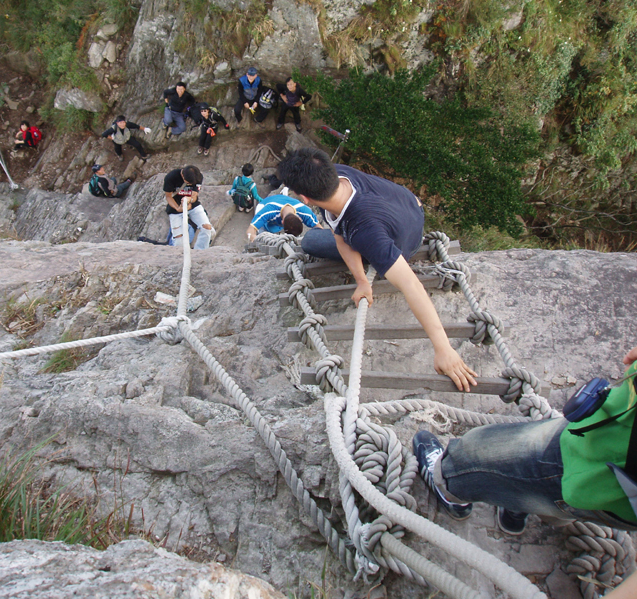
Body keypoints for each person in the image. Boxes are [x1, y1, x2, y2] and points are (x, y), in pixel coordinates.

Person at [277, 148, 477, 391]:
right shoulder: (336, 176)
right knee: (337, 232)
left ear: (304, 199)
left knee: (311, 242)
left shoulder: (366, 232)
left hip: (401, 243)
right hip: (409, 207)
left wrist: (443, 348)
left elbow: (411, 285)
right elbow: (339, 231)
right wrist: (361, 280)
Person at [413, 344, 637, 543]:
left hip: (600, 455)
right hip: (619, 486)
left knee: (474, 452)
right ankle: (516, 511)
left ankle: (450, 488)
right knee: (564, 494)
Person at [163, 165, 214, 249]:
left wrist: (190, 200)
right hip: (176, 208)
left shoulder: (197, 177)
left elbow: (195, 195)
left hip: (193, 206)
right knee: (179, 239)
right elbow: (168, 196)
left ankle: (200, 251)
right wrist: (177, 208)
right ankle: (181, 256)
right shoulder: (171, 177)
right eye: (188, 183)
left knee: (207, 228)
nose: (190, 185)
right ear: (183, 176)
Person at [246, 194, 321, 242]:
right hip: (265, 205)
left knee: (273, 229)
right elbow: (250, 230)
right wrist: (254, 239)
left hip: (282, 205)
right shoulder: (269, 210)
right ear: (282, 222)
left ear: (300, 218)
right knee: (264, 234)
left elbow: (319, 227)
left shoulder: (304, 211)